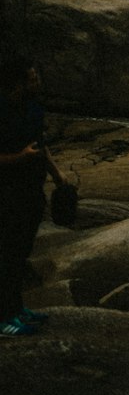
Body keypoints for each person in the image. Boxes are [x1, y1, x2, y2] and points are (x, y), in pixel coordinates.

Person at [0, 53, 71, 337]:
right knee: (6, 256)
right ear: (16, 84)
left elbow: (40, 144)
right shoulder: (2, 111)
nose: (37, 81)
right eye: (31, 78)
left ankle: (16, 309)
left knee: (20, 254)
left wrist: (57, 175)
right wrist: (20, 157)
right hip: (6, 194)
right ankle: (3, 318)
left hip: (31, 191)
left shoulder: (32, 107)